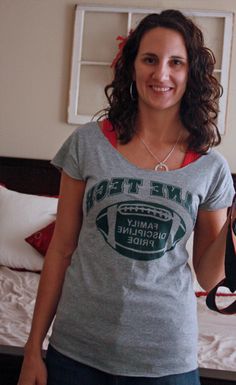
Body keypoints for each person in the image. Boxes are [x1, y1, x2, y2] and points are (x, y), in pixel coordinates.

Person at [17, 9, 235, 385]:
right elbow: (61, 250)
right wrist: (33, 347)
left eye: (176, 62)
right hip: (76, 352)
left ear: (191, 73)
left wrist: (233, 226)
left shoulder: (210, 166)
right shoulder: (87, 144)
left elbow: (208, 274)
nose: (161, 74)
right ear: (131, 67)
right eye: (150, 59)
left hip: (164, 358)